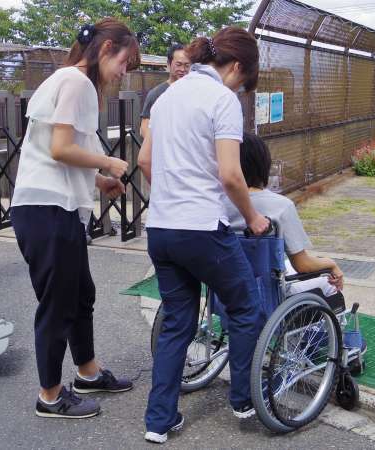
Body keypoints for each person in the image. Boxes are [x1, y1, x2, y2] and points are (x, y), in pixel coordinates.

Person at [138, 27, 270, 444]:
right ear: (236, 67)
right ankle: (244, 399)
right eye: (243, 82)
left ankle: (158, 422)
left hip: (160, 227)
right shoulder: (221, 99)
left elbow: (144, 160)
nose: (240, 89)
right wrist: (253, 217)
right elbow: (231, 174)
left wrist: (172, 195)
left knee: (178, 321)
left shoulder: (167, 96)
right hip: (201, 228)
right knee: (246, 308)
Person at [10, 18, 140, 419]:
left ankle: (87, 372)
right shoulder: (76, 82)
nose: (123, 72)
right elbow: (60, 148)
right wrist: (108, 162)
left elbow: (55, 152)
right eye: (124, 62)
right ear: (106, 49)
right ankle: (49, 396)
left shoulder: (70, 81)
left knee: (80, 294)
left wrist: (99, 180)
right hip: (47, 210)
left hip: (53, 207)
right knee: (58, 304)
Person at [226, 133, 344, 295]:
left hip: (226, 293)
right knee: (329, 282)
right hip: (269, 294)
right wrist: (331, 264)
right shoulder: (281, 206)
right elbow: (303, 265)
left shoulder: (217, 205)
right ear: (263, 164)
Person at [139, 43, 191, 138]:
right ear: (168, 64)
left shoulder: (194, 92)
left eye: (187, 65)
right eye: (178, 65)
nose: (183, 69)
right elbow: (144, 128)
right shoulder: (157, 94)